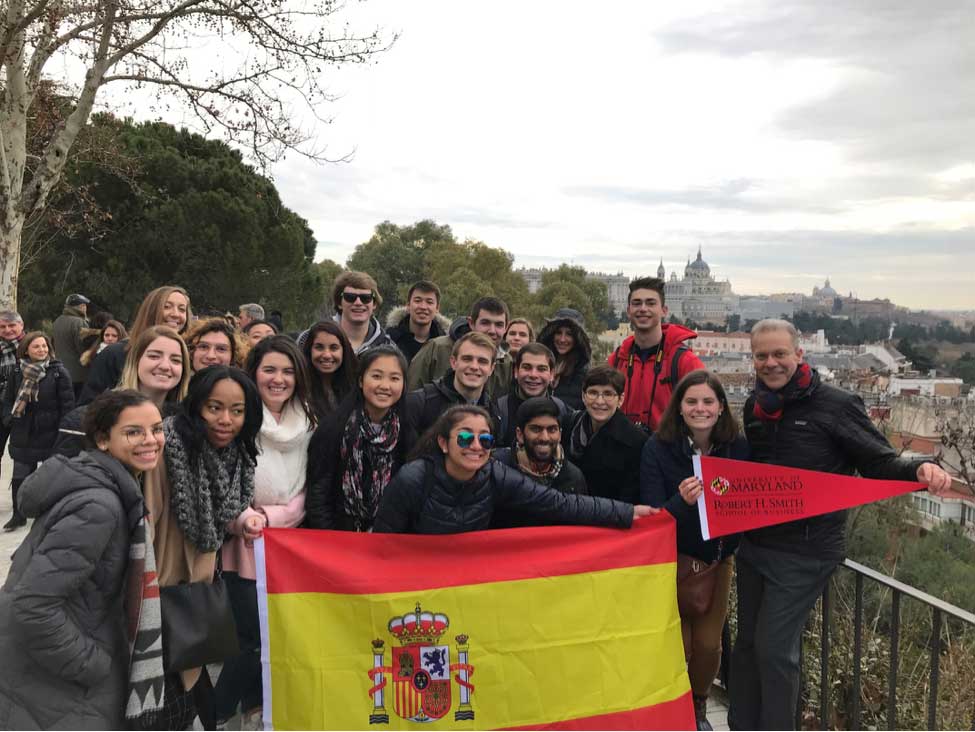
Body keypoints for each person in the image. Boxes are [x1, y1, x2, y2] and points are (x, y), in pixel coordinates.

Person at [729, 319, 954, 731]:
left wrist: (920, 466)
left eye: (780, 353)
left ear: (800, 354)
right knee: (745, 647)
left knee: (775, 650)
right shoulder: (755, 406)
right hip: (756, 545)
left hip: (806, 551)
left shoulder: (837, 403)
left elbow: (878, 459)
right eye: (762, 355)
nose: (771, 362)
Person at [0, 389, 162, 729]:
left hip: (56, 676)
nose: (151, 440)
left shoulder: (106, 486)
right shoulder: (99, 507)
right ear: (103, 440)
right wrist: (95, 666)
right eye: (134, 432)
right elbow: (31, 606)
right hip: (61, 686)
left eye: (157, 429)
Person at [139, 366, 260, 729]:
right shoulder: (166, 452)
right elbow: (146, 524)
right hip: (158, 599)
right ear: (196, 407)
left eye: (237, 411)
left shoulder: (235, 456)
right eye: (214, 408)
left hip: (193, 600)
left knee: (191, 706)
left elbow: (224, 510)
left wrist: (243, 521)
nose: (226, 420)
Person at [640, 370, 749, 730]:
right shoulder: (658, 447)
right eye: (692, 401)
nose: (700, 408)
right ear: (680, 408)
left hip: (718, 558)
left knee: (707, 646)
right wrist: (682, 502)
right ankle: (672, 709)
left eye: (707, 401)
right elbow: (654, 511)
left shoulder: (737, 446)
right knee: (678, 644)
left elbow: (748, 501)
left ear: (721, 408)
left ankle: (698, 703)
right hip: (671, 560)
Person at [217, 335, 316, 728]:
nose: (279, 379)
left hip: (290, 543)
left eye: (288, 371)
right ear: (253, 373)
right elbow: (220, 481)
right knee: (247, 640)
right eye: (270, 370)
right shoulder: (238, 417)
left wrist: (279, 516)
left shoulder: (308, 420)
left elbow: (311, 485)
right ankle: (218, 713)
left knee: (276, 638)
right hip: (243, 542)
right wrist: (245, 517)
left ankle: (259, 708)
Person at [373, 405, 655, 534]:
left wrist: (628, 512)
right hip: (415, 582)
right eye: (464, 437)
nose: (475, 446)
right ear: (443, 443)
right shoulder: (413, 478)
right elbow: (385, 544)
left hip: (465, 582)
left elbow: (560, 504)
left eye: (484, 439)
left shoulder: (493, 473)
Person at [305, 346, 416, 531]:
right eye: (376, 376)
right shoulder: (333, 429)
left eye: (394, 378)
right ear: (361, 381)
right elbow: (318, 496)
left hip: (387, 536)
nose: (385, 386)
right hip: (341, 536)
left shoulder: (407, 431)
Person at [57, 325, 191, 459]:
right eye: (154, 356)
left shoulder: (187, 425)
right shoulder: (85, 421)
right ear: (135, 360)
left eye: (175, 360)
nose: (165, 366)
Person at [608, 277, 704, 431]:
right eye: (637, 303)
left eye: (651, 303)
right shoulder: (617, 360)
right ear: (628, 311)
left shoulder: (685, 362)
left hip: (668, 451)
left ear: (664, 310)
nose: (643, 309)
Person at [1, 332, 75, 530]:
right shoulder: (18, 372)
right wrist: (9, 417)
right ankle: (19, 514)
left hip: (50, 432)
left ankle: (51, 515)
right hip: (23, 431)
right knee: (19, 477)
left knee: (50, 476)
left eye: (44, 346)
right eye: (37, 347)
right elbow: (8, 399)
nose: (42, 350)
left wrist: (63, 431)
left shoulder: (58, 372)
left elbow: (68, 406)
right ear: (26, 350)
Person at [80, 285, 192, 404]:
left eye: (182, 309)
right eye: (167, 306)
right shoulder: (114, 354)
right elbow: (88, 406)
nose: (175, 314)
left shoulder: (186, 356)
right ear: (151, 310)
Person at [491, 397, 588, 528]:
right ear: (520, 434)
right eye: (536, 429)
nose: (544, 437)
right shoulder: (497, 468)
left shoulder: (573, 478)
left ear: (560, 434)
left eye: (552, 429)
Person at [563, 365, 648, 504]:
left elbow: (631, 497)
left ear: (620, 399)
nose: (599, 401)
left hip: (608, 519)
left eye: (608, 394)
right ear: (583, 396)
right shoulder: (568, 425)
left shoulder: (636, 441)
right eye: (593, 392)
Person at [407, 296, 512, 398]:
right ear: (471, 323)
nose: (492, 331)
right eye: (485, 323)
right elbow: (411, 393)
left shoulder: (506, 362)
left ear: (506, 327)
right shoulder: (438, 348)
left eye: (499, 325)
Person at [405, 331, 501, 438]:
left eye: (482, 361)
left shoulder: (493, 414)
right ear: (453, 363)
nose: (474, 366)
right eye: (467, 359)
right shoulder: (419, 403)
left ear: (492, 369)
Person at [298, 271, 394, 355]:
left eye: (366, 298)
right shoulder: (308, 339)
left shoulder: (388, 347)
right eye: (350, 297)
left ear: (374, 304)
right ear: (339, 303)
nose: (358, 303)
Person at [496, 343, 570, 447]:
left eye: (541, 369)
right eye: (527, 367)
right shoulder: (500, 409)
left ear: (552, 374)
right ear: (516, 372)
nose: (533, 375)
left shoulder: (560, 409)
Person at [301, 320, 357, 422]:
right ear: (310, 350)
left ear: (344, 351)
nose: (326, 355)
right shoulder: (300, 390)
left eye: (334, 348)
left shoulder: (357, 387)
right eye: (319, 347)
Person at [537, 308, 591, 411]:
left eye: (569, 334)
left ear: (577, 338)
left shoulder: (583, 374)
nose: (562, 339)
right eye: (558, 332)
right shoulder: (539, 366)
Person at [385, 280, 450, 363]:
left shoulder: (445, 345)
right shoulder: (389, 339)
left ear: (437, 308)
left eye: (429, 302)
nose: (423, 307)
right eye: (417, 301)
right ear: (408, 305)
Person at [0, 311, 25, 496]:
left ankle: (21, 504)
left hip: (26, 409)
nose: (7, 330)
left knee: (23, 457)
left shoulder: (33, 344)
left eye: (11, 325)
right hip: (2, 407)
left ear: (21, 326)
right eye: (2, 327)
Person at [52, 293, 91, 398]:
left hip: (60, 372)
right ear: (82, 307)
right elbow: (83, 350)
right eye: (85, 306)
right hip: (79, 376)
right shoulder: (79, 323)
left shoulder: (57, 321)